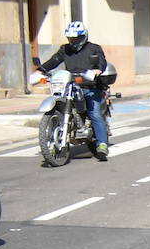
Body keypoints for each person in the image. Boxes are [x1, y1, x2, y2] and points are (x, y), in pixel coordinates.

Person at [34, 21, 112, 161]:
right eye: (71, 38)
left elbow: (101, 61)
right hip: (70, 84)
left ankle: (102, 144)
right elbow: (54, 60)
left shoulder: (94, 48)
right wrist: (40, 71)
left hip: (89, 85)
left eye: (76, 38)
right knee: (62, 103)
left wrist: (97, 70)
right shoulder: (65, 49)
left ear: (84, 36)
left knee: (94, 113)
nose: (73, 41)